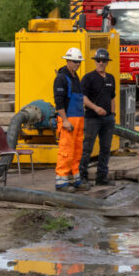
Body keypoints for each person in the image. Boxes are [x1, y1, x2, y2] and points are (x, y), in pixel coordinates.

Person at [78, 48, 116, 187]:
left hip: (108, 120)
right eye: (98, 60)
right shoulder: (88, 78)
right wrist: (96, 108)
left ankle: (102, 177)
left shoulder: (111, 78)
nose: (101, 63)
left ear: (107, 62)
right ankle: (82, 177)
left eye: (103, 61)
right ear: (95, 62)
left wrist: (112, 114)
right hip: (92, 118)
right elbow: (83, 97)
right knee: (87, 148)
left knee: (106, 148)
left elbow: (112, 98)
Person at [53, 47, 89, 193]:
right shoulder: (61, 78)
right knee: (66, 151)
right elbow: (59, 101)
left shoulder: (75, 77)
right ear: (67, 60)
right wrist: (65, 120)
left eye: (79, 61)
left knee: (76, 151)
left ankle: (75, 179)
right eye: (75, 61)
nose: (77, 64)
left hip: (78, 120)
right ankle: (61, 181)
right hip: (68, 120)